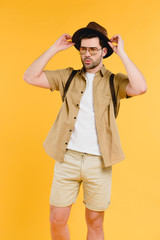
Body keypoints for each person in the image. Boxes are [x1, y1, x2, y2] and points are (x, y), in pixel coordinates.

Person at [23, 22, 147, 240]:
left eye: (93, 49)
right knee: (56, 219)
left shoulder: (113, 80)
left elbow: (140, 88)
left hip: (99, 162)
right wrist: (53, 48)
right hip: (67, 158)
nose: (87, 54)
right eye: (83, 49)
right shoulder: (68, 76)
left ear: (104, 51)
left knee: (95, 223)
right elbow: (30, 77)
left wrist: (123, 54)